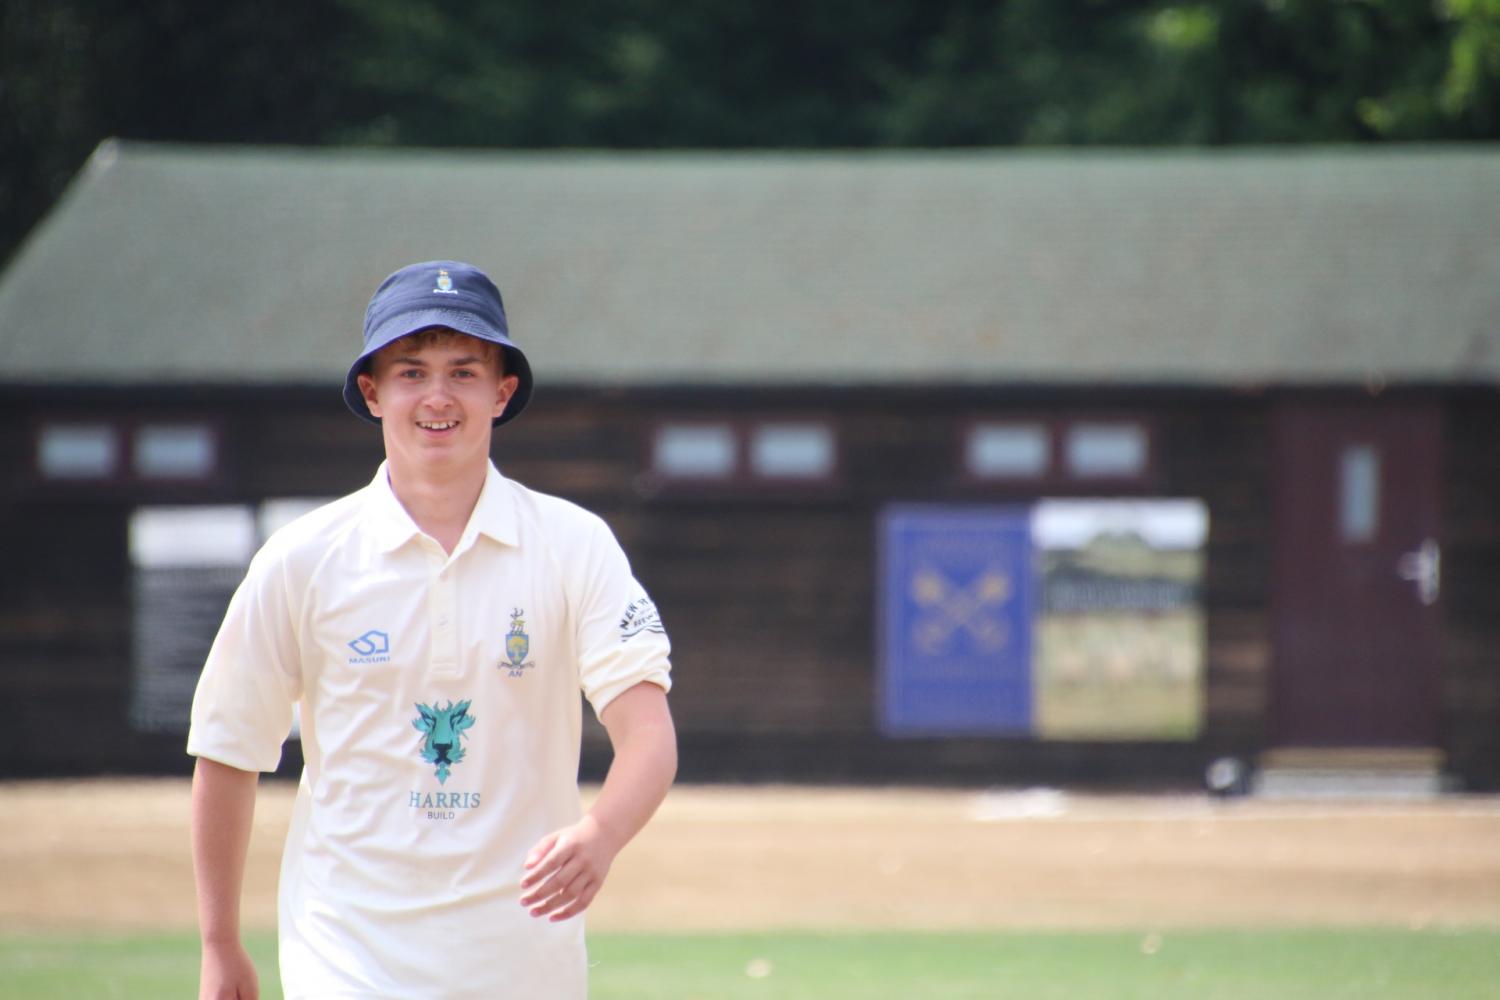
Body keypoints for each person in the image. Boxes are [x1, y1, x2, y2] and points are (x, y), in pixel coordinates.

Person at [188, 260, 676, 1000]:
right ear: (372, 391)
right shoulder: (303, 558)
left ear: (502, 393)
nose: (438, 397)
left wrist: (602, 834)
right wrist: (220, 942)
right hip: (348, 950)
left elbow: (649, 733)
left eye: (464, 372)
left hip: (523, 958)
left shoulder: (574, 545)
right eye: (411, 372)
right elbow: (228, 750)